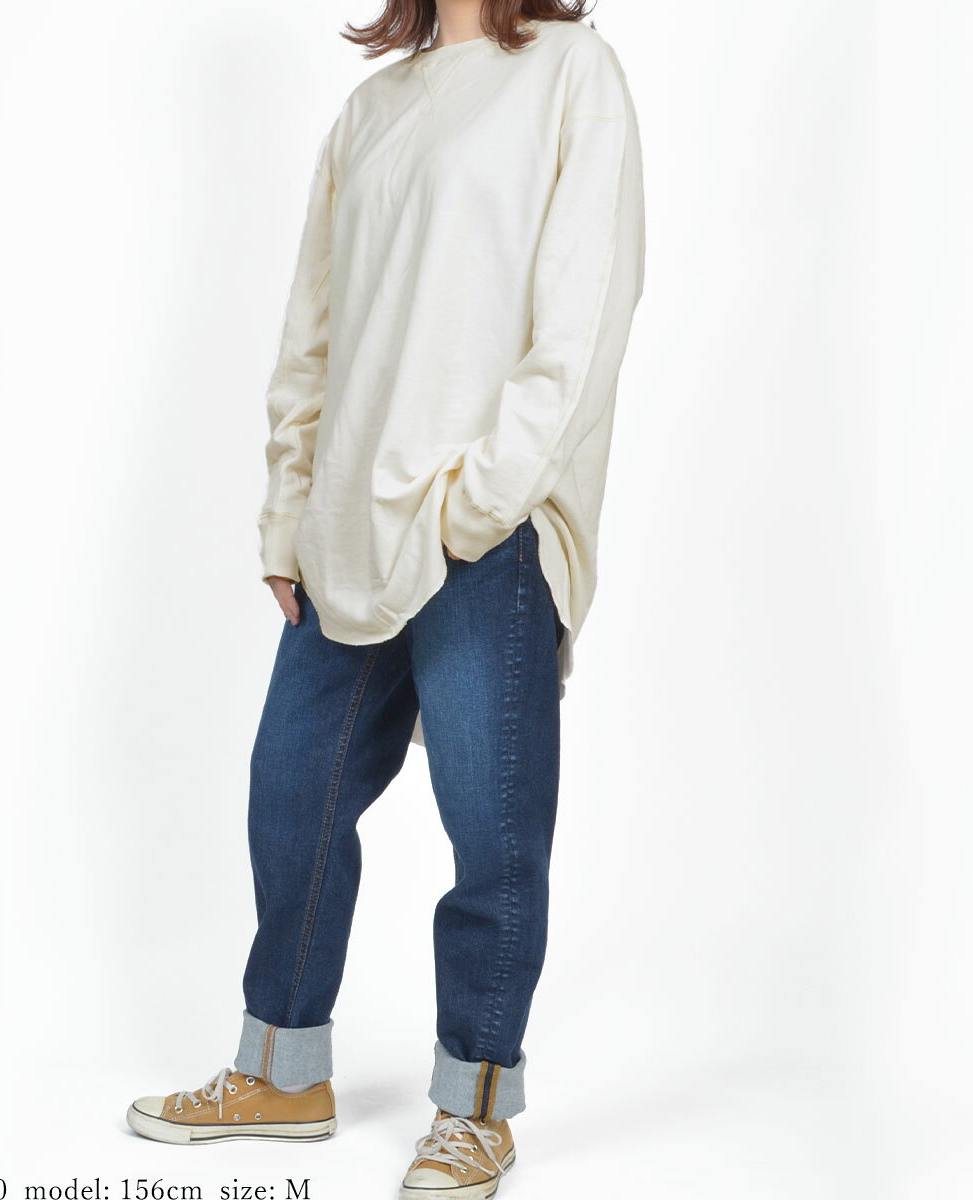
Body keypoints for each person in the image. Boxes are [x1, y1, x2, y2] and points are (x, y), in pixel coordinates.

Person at [127, 0, 645, 1193]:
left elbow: (584, 315)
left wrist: (481, 500)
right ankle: (281, 1071)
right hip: (349, 526)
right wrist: (288, 512)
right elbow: (313, 335)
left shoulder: (574, 72)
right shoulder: (371, 111)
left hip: (485, 529)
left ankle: (473, 1106)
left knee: (492, 832)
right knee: (291, 793)